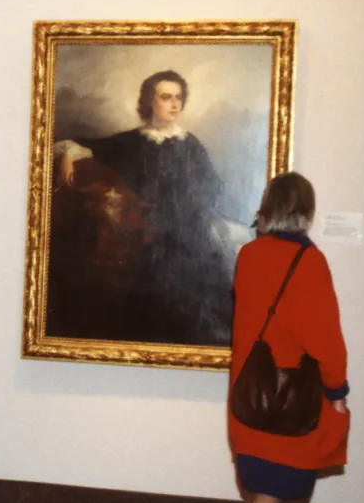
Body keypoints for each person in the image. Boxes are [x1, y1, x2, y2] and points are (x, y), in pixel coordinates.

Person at [216, 172, 350, 503]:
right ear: (306, 211)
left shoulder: (249, 255)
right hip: (286, 405)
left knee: (259, 492)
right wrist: (337, 391)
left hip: (249, 397)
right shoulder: (308, 262)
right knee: (270, 495)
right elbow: (325, 338)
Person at [50, 70, 235, 345]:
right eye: (165, 97)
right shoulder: (132, 142)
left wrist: (194, 212)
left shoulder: (190, 143)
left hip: (190, 231)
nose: (174, 104)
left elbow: (213, 189)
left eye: (178, 97)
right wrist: (67, 156)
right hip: (147, 234)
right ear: (150, 101)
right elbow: (79, 145)